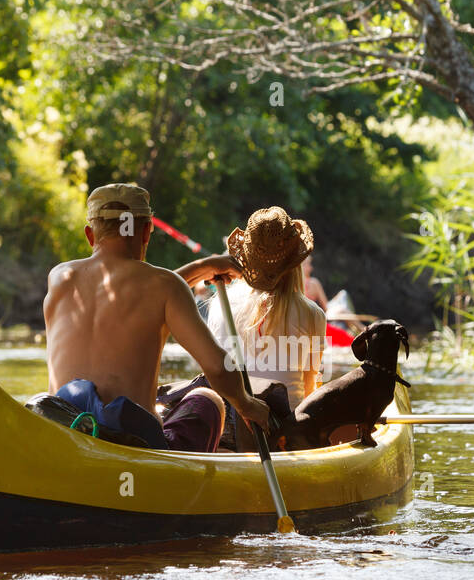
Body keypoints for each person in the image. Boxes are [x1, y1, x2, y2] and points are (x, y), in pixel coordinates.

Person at [43, 183, 269, 452]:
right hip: (131, 445)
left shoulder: (60, 278)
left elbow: (133, 297)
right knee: (208, 399)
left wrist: (202, 268)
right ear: (147, 231)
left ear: (90, 235)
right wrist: (247, 404)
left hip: (65, 435)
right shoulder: (163, 286)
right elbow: (218, 368)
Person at [207, 206, 327, 407]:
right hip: (287, 426)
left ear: (248, 259)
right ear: (296, 261)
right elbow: (309, 391)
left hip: (229, 424)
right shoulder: (313, 314)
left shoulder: (220, 303)